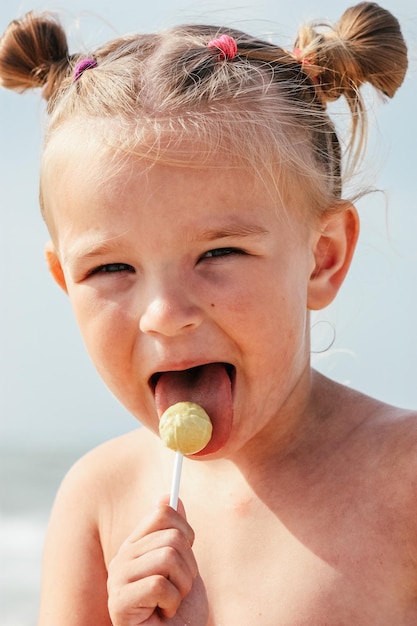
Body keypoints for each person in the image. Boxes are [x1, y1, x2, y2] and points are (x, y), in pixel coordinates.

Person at [0, 3, 415, 624]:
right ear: (64, 282)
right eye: (111, 269)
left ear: (321, 258)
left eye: (220, 252)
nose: (165, 315)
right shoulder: (97, 502)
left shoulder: (402, 482)